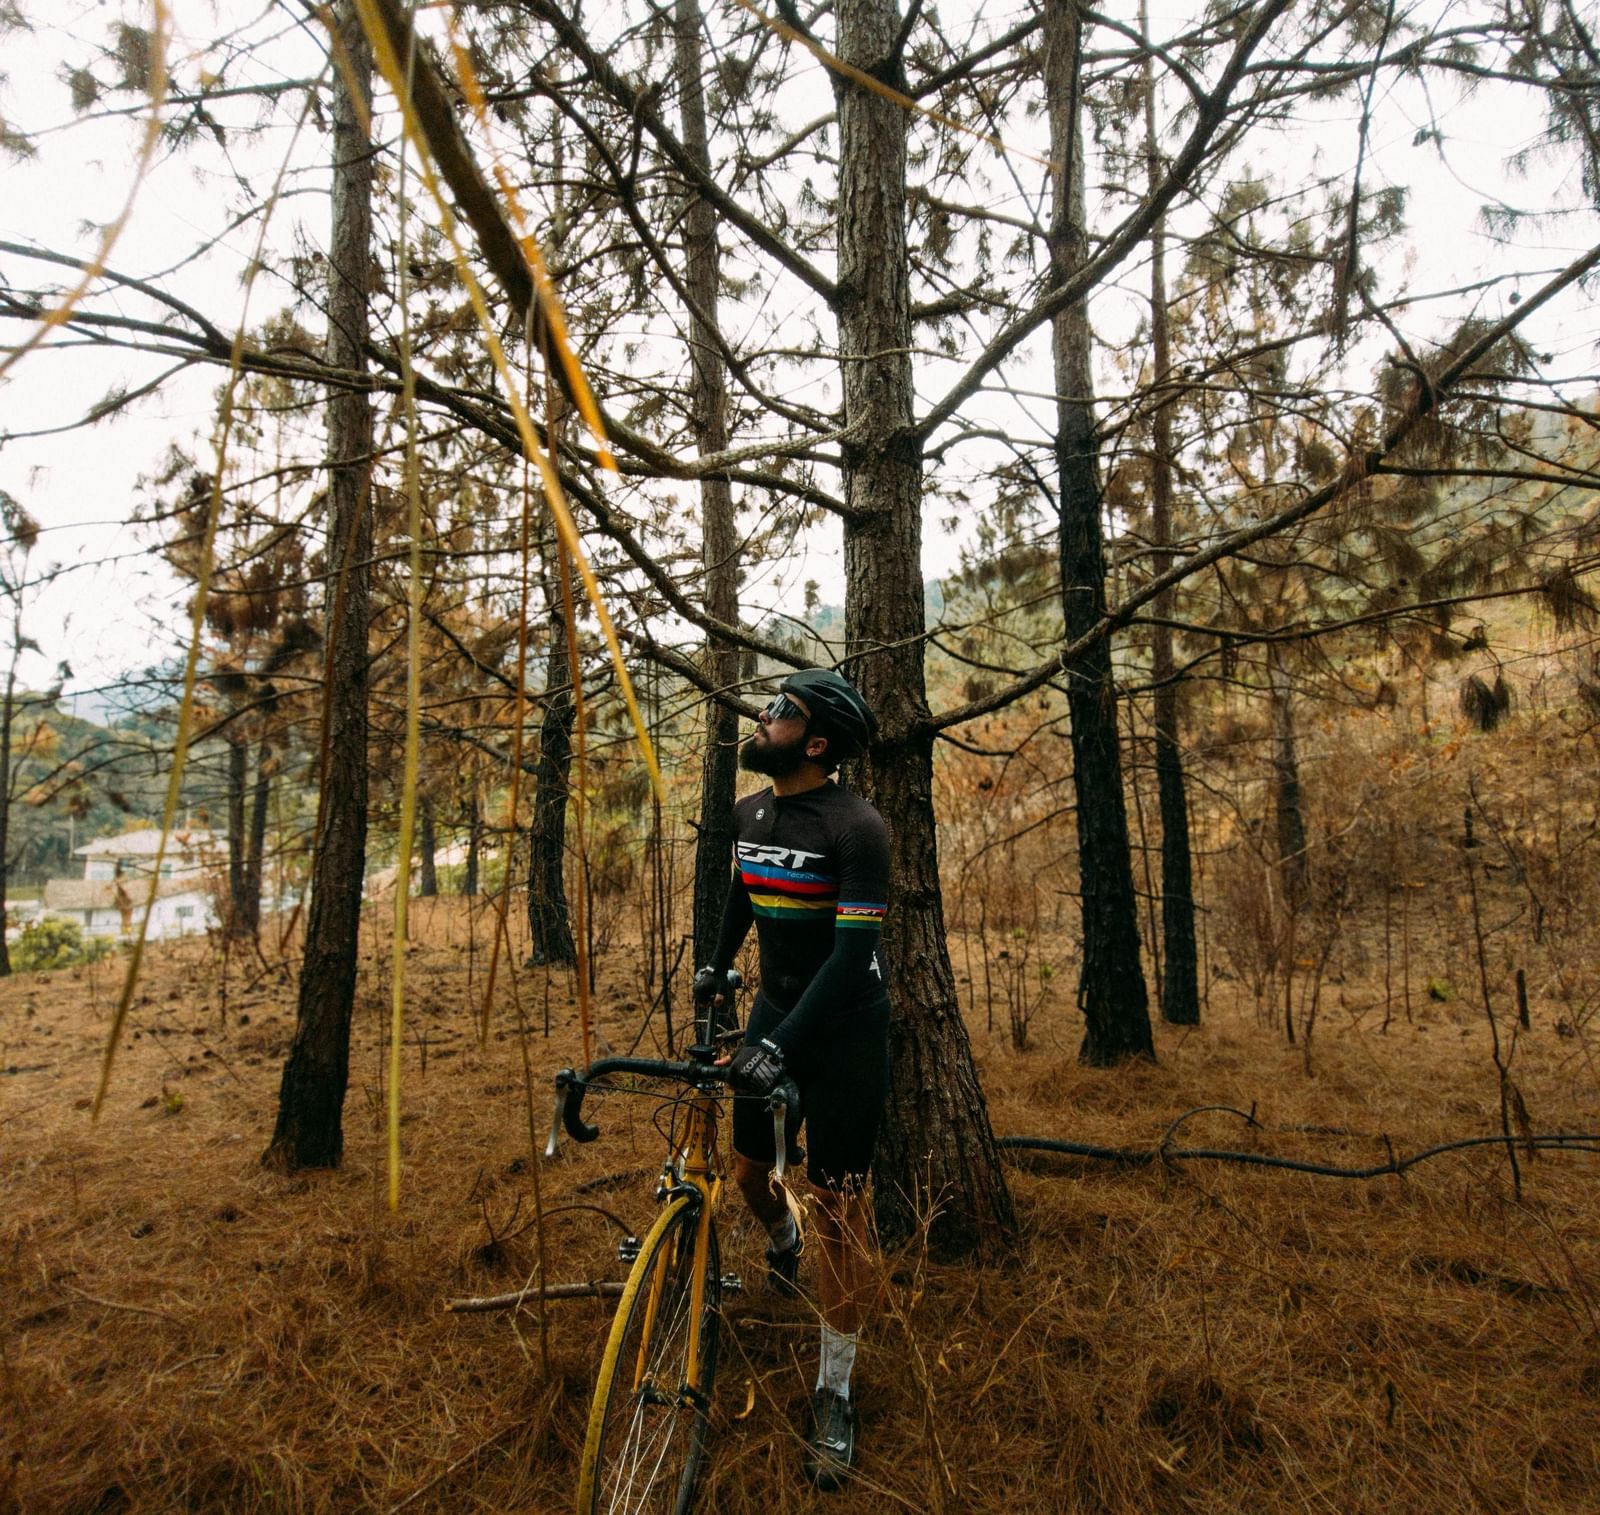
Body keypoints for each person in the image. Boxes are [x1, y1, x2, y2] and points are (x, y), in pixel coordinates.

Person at [694, 667, 889, 1492]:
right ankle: (783, 1242)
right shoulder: (750, 812)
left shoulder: (859, 828)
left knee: (841, 1208)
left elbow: (850, 958)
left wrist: (785, 1047)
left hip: (843, 1029)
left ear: (814, 743)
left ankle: (834, 1392)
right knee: (748, 1172)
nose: (761, 717)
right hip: (773, 1014)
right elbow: (744, 890)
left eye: (779, 711)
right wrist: (714, 963)